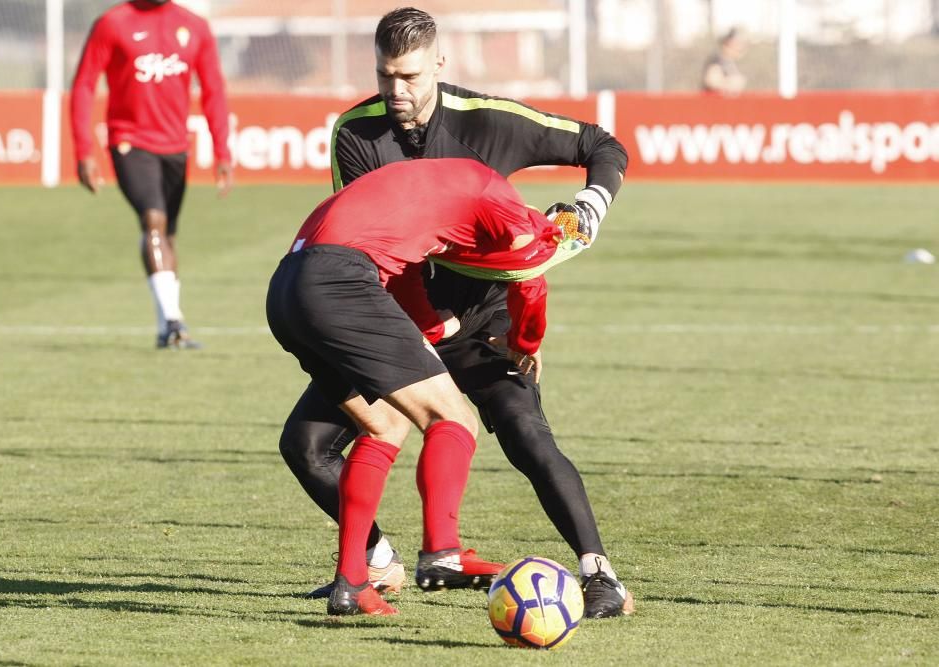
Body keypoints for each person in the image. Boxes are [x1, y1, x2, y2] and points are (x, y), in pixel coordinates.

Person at [279, 7, 633, 618]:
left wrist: (592, 204)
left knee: (526, 437)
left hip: (478, 323)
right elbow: (377, 245)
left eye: (410, 77)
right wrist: (432, 322)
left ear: (440, 64)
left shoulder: (491, 122)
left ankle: (599, 574)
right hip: (394, 315)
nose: (397, 91)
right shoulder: (355, 133)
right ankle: (382, 563)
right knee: (307, 445)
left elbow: (601, 146)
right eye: (386, 75)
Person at [267, 157, 592, 616]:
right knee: (452, 418)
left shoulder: (438, 187)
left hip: (287, 288)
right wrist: (523, 341)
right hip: (341, 281)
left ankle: (353, 582)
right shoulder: (502, 199)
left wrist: (439, 329)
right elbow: (528, 278)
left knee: (382, 428)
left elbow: (404, 275)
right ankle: (443, 553)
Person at [70, 0, 233, 349]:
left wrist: (222, 149)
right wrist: (84, 150)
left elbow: (213, 89)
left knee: (167, 234)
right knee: (153, 220)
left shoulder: (195, 26)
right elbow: (84, 85)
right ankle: (175, 321)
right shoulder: (112, 24)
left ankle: (166, 329)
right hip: (129, 142)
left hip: (175, 148)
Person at [701, 27, 747, 96]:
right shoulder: (717, 60)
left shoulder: (730, 63)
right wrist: (731, 83)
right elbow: (711, 81)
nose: (740, 47)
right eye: (737, 43)